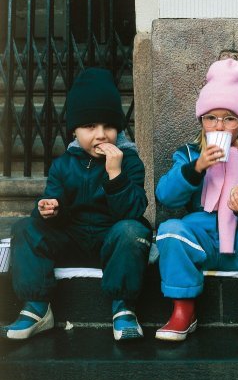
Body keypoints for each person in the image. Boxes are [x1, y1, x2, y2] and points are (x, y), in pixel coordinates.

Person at [1, 68, 152, 341]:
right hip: (72, 239)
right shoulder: (63, 164)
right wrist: (49, 209)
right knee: (25, 227)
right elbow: (52, 203)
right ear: (74, 131)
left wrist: (115, 174)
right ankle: (37, 308)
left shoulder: (129, 161)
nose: (101, 135)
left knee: (134, 230)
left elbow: (132, 210)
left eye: (109, 126)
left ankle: (123, 308)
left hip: (112, 243)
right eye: (90, 127)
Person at [154, 58, 238, 341]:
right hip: (202, 241)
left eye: (229, 118)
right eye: (211, 117)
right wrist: (197, 168)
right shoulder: (189, 155)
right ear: (201, 121)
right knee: (170, 231)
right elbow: (165, 196)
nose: (219, 125)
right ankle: (183, 311)